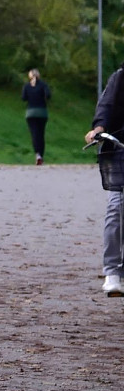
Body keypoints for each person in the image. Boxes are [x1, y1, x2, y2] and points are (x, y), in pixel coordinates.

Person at [87, 65, 124, 296]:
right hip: (120, 148)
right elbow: (106, 105)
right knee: (116, 207)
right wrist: (98, 129)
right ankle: (112, 271)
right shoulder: (120, 77)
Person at [21, 68, 51, 165]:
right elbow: (48, 95)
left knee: (34, 134)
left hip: (30, 113)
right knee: (41, 134)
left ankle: (37, 154)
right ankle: (41, 155)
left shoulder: (27, 86)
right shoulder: (43, 85)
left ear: (29, 76)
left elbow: (23, 98)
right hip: (42, 113)